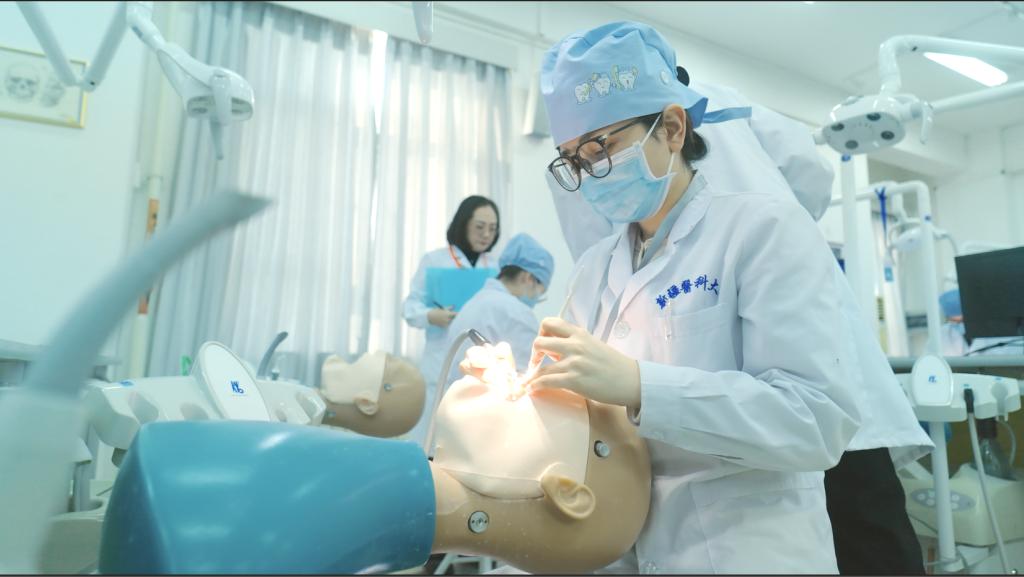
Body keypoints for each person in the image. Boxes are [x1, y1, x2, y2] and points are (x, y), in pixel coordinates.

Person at [542, 43, 932, 577]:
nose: (591, 174)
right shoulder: (595, 268)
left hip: (750, 548)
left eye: (601, 148)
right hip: (628, 543)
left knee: (874, 540)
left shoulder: (766, 230)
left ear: (673, 128)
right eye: (573, 161)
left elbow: (812, 420)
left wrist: (639, 385)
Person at [403, 195, 500, 446]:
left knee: (468, 441)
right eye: (480, 227)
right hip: (441, 361)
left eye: (492, 229)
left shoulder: (497, 267)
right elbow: (410, 307)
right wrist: (431, 315)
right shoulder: (435, 260)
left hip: (481, 366)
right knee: (429, 437)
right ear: (463, 224)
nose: (486, 235)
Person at [443, 233, 554, 388]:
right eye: (539, 293)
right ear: (527, 278)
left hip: (456, 397)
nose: (536, 299)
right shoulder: (516, 312)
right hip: (483, 400)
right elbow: (538, 378)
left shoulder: (476, 302)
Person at [939, 288, 1022, 356]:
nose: (961, 325)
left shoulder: (1001, 331)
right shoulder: (942, 334)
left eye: (963, 320)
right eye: (955, 321)